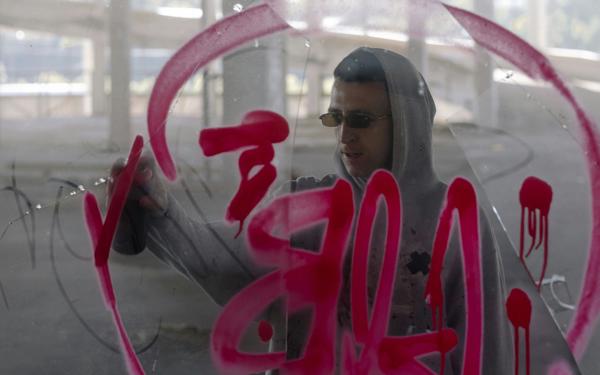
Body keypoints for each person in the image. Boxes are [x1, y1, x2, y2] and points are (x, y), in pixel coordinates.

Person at [110, 47, 510, 374]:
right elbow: (222, 261)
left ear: (408, 125)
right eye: (335, 117)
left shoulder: (456, 217)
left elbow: (484, 349)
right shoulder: (308, 206)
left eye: (361, 120)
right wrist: (160, 210)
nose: (344, 135)